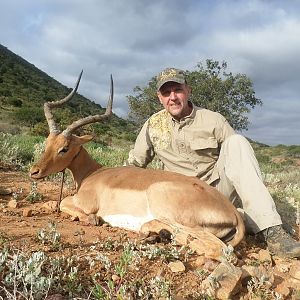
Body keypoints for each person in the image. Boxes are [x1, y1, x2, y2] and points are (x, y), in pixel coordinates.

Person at [125, 67, 300, 259]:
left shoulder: (213, 120)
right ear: (159, 97)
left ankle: (271, 229)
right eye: (166, 93)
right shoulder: (152, 125)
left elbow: (237, 159)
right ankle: (243, 219)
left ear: (188, 91)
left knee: (237, 142)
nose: (172, 97)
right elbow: (134, 165)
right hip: (180, 200)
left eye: (178, 90)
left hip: (216, 193)